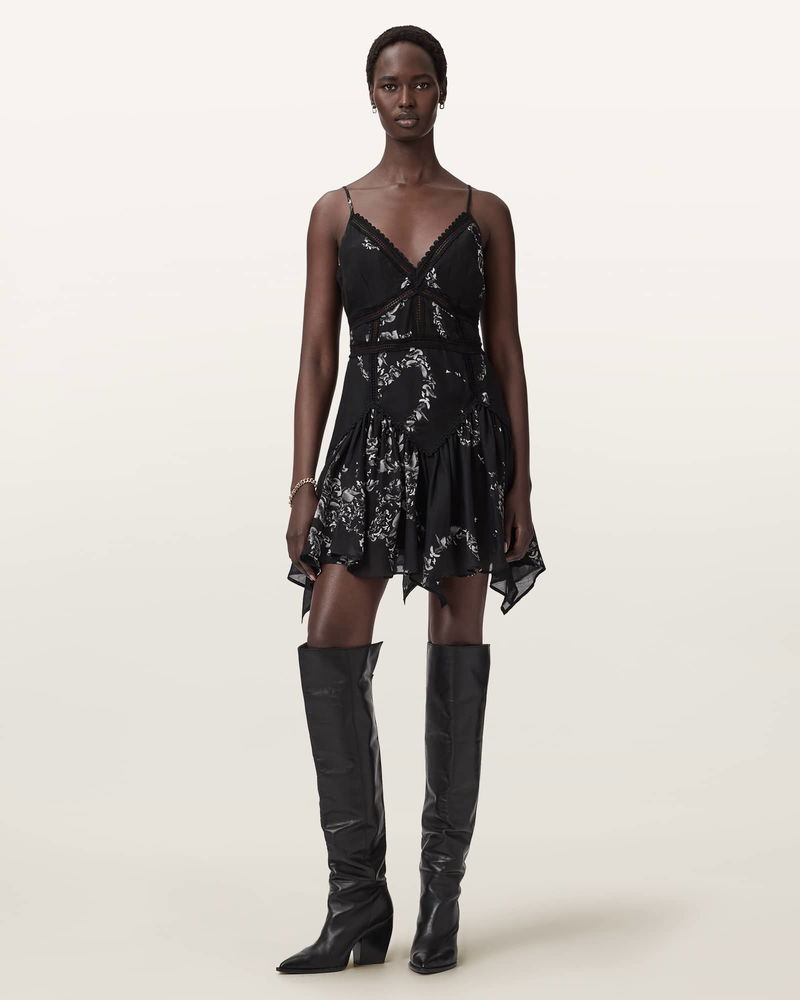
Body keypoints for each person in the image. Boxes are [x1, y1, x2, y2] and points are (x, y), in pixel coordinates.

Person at [279, 25, 546, 975]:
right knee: (329, 643)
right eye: (391, 84)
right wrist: (304, 482)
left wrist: (521, 484)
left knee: (455, 648)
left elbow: (505, 351)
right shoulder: (335, 211)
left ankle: (442, 898)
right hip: (364, 451)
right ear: (371, 94)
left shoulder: (485, 212)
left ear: (441, 92)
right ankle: (356, 901)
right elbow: (318, 355)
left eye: (421, 82)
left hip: (464, 452)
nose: (406, 98)